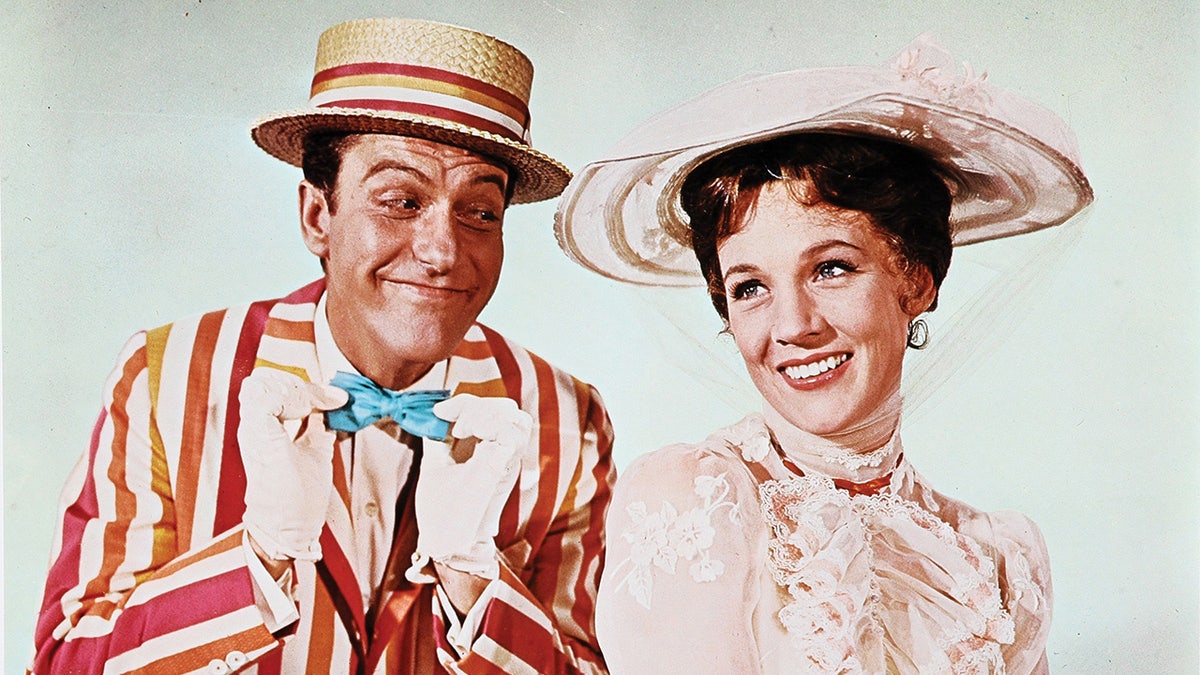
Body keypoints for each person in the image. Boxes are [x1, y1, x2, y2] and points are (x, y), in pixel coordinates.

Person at [32, 18, 614, 675]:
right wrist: (259, 555)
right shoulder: (169, 376)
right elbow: (65, 661)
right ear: (318, 215)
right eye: (400, 200)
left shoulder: (568, 420)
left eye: (480, 211)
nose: (443, 251)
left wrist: (474, 580)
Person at [555, 37, 1092, 674]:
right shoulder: (697, 496)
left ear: (915, 279)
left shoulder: (1000, 556)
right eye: (749, 287)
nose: (793, 326)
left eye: (831, 269)